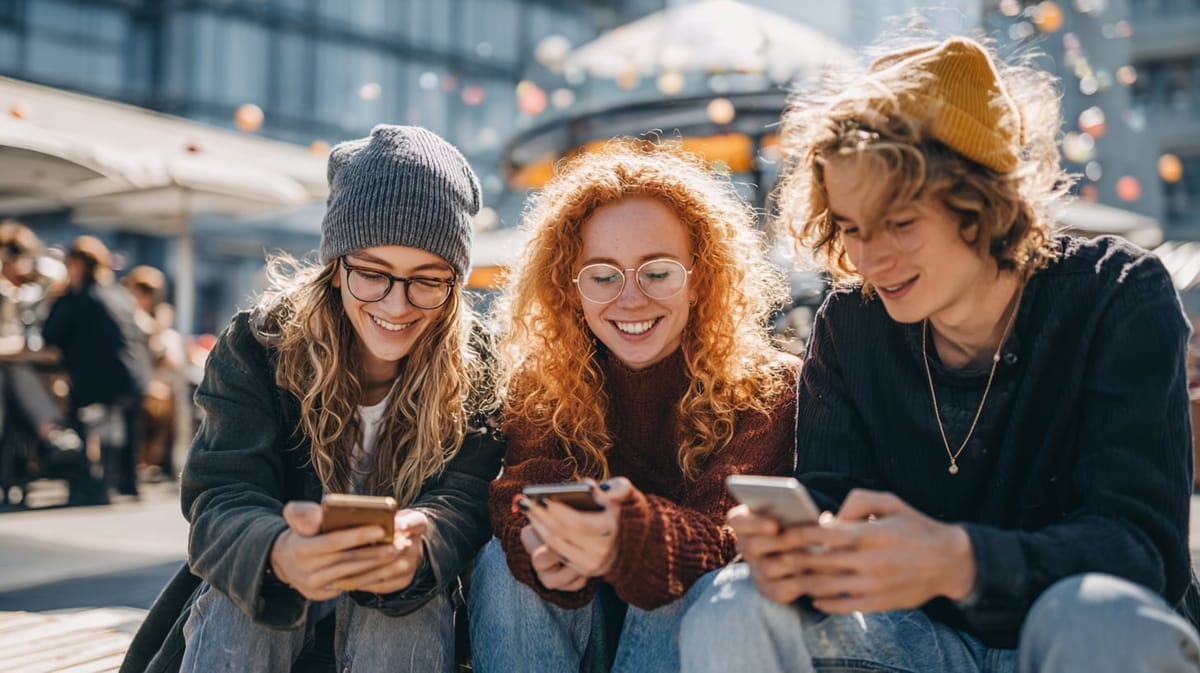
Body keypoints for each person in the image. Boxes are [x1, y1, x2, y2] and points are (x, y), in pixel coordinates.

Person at [679, 36, 1200, 673]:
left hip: (1072, 638)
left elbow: (1141, 553)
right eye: (850, 227)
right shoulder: (850, 322)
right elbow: (829, 499)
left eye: (900, 223)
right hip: (915, 643)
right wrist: (796, 550)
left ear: (985, 195)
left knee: (1100, 617)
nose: (869, 260)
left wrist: (962, 560)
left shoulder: (1117, 295)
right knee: (732, 602)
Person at [120, 125, 504, 673]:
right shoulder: (260, 345)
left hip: (409, 612)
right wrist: (277, 551)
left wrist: (422, 543)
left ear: (455, 281)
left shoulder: (479, 364)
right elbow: (220, 496)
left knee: (404, 618)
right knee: (244, 610)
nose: (397, 306)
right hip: (266, 608)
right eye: (372, 273)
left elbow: (465, 501)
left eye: (428, 279)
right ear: (335, 266)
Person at [469, 140, 801, 673]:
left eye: (659, 271)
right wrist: (537, 543)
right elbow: (523, 487)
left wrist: (630, 541)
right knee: (502, 567)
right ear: (570, 289)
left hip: (689, 639)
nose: (630, 299)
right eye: (603, 276)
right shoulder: (546, 380)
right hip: (580, 625)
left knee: (674, 570)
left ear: (701, 278)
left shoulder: (771, 387)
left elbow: (729, 533)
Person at [43, 235, 151, 499]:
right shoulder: (119, 295)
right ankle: (126, 482)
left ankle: (87, 482)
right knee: (117, 424)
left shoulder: (76, 298)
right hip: (133, 378)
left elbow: (50, 336)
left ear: (76, 265)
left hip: (94, 383)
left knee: (77, 412)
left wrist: (57, 297)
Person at [122, 264, 185, 480]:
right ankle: (149, 459)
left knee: (170, 393)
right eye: (140, 290)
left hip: (158, 377)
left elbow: (166, 354)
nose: (145, 296)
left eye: (149, 291)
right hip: (138, 377)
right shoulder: (128, 312)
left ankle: (163, 459)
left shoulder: (161, 315)